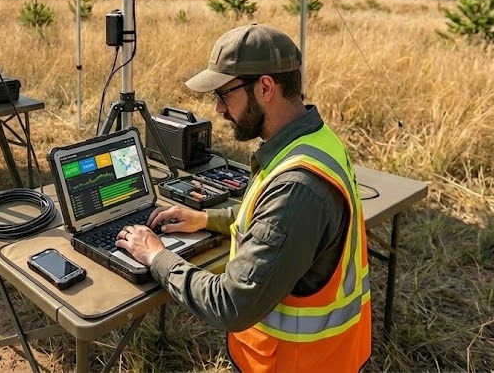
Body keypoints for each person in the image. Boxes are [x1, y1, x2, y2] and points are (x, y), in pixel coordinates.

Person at [114, 23, 371, 373]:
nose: (219, 110)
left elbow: (231, 305)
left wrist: (156, 256)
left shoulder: (298, 186)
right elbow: (270, 220)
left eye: (224, 95)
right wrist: (206, 219)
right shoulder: (314, 140)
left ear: (265, 87)